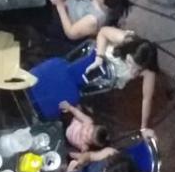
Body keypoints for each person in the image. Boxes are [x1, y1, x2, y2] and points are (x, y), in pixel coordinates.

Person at [29, 27, 159, 132]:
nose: (132, 69)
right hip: (88, 62)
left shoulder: (148, 71)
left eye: (137, 68)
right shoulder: (125, 39)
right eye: (130, 62)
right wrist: (100, 57)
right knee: (55, 80)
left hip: (101, 83)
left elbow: (146, 99)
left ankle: (37, 114)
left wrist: (143, 126)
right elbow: (103, 32)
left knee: (64, 97)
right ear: (129, 50)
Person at [50, 0, 130, 41]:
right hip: (73, 0)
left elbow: (71, 33)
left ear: (104, 5)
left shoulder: (94, 19)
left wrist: (59, 6)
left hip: (64, 19)